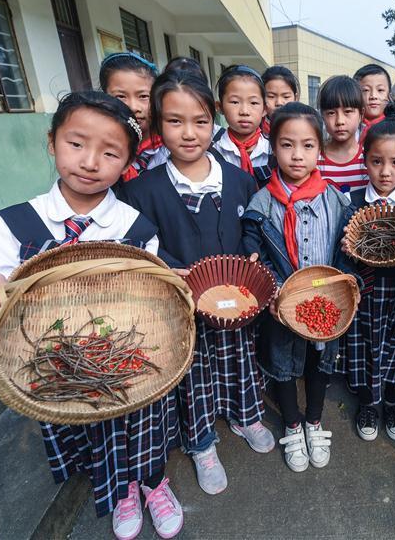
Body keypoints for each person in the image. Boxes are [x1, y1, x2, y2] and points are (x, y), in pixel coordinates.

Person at [0, 91, 184, 540]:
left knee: (143, 426)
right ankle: (121, 493)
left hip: (129, 363)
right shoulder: (15, 226)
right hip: (59, 370)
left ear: (127, 163)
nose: (90, 161)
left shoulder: (136, 230)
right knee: (94, 438)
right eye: (76, 144)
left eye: (110, 152)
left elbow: (152, 304)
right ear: (51, 141)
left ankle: (154, 483)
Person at [122, 72, 274, 499]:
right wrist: (174, 271)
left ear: (214, 121)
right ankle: (202, 442)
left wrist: (250, 252)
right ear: (157, 123)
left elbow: (252, 226)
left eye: (200, 121)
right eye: (174, 121)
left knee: (241, 359)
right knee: (195, 373)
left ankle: (246, 415)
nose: (189, 133)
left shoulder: (240, 179)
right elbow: (143, 246)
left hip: (235, 302)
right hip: (183, 304)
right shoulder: (142, 191)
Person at [242, 102, 360, 472]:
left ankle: (314, 420)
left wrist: (346, 279)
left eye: (308, 146)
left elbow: (348, 247)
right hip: (282, 304)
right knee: (282, 363)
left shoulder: (337, 199)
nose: (297, 155)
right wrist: (274, 291)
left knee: (319, 361)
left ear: (319, 151)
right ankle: (292, 424)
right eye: (287, 145)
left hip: (326, 303)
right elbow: (252, 247)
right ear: (273, 146)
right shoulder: (262, 201)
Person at [340, 100, 395, 442]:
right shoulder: (353, 201)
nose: (385, 172)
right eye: (376, 162)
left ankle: (390, 403)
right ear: (365, 161)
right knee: (364, 349)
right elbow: (342, 249)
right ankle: (367, 404)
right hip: (366, 293)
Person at [98, 52, 161, 181]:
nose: (133, 107)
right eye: (120, 97)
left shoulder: (172, 147)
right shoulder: (96, 147)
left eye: (143, 96)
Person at [210, 65, 274, 187]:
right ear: (220, 107)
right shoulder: (211, 152)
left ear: (264, 109)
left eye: (254, 103)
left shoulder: (274, 151)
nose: (244, 111)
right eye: (235, 102)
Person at [316, 75, 369, 193]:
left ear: (361, 114)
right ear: (322, 116)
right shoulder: (314, 159)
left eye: (348, 111)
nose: (340, 121)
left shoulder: (370, 161)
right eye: (331, 113)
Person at [262, 65, 299, 135]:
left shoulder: (305, 127)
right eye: (271, 96)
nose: (279, 103)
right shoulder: (253, 132)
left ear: (295, 98)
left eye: (286, 97)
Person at [354, 63, 392, 129]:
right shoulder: (348, 128)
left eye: (380, 90)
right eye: (366, 90)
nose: (373, 96)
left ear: (389, 96)